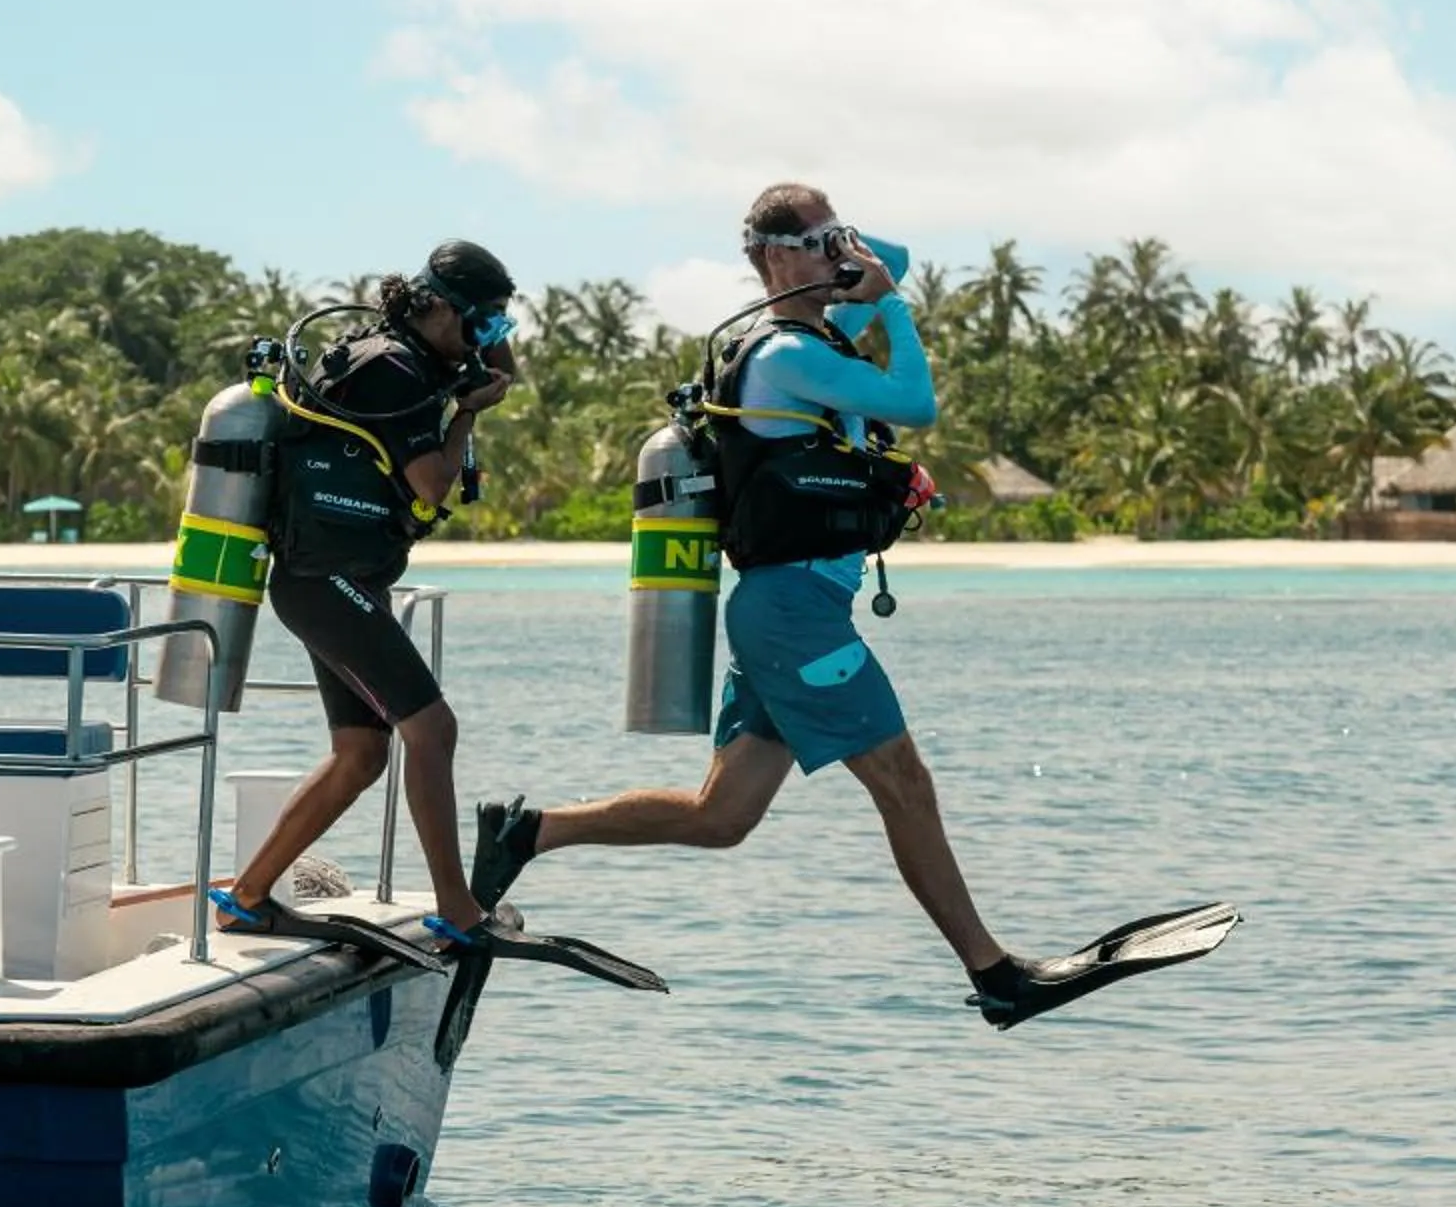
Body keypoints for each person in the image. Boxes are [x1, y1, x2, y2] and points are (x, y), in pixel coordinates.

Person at [470, 182, 1051, 1024]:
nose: (841, 255)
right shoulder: (785, 356)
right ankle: (995, 974)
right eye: (819, 242)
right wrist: (893, 310)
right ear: (777, 255)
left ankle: (527, 830)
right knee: (905, 783)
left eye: (839, 239)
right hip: (794, 617)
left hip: (791, 610)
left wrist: (840, 250)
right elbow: (918, 403)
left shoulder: (809, 332)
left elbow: (899, 258)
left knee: (722, 816)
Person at [209, 240, 521, 949]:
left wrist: (489, 346)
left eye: (496, 326)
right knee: (433, 730)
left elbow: (503, 373)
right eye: (479, 324)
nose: (486, 341)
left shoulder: (403, 356)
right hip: (328, 582)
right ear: (436, 305)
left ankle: (247, 899)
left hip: (335, 580)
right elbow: (432, 485)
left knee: (361, 753)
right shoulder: (394, 371)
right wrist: (466, 415)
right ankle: (459, 910)